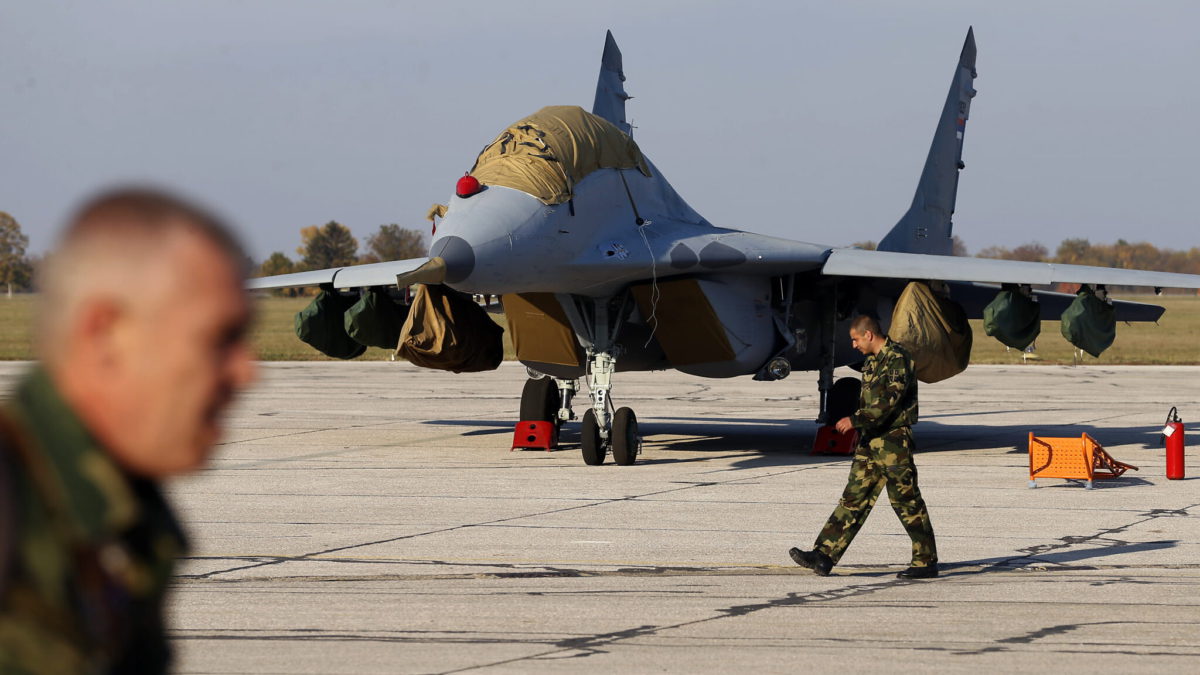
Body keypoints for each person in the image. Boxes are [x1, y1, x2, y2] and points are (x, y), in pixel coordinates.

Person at [0, 188, 256, 672]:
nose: (247, 373)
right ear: (105, 335)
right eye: (217, 339)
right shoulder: (15, 515)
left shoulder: (114, 514)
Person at [789, 314, 938, 579]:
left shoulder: (897, 358)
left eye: (856, 340)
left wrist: (856, 419)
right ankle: (823, 554)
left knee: (905, 500)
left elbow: (889, 401)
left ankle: (925, 561)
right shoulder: (871, 362)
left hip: (893, 441)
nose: (854, 345)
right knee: (853, 497)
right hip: (871, 440)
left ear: (868, 335)